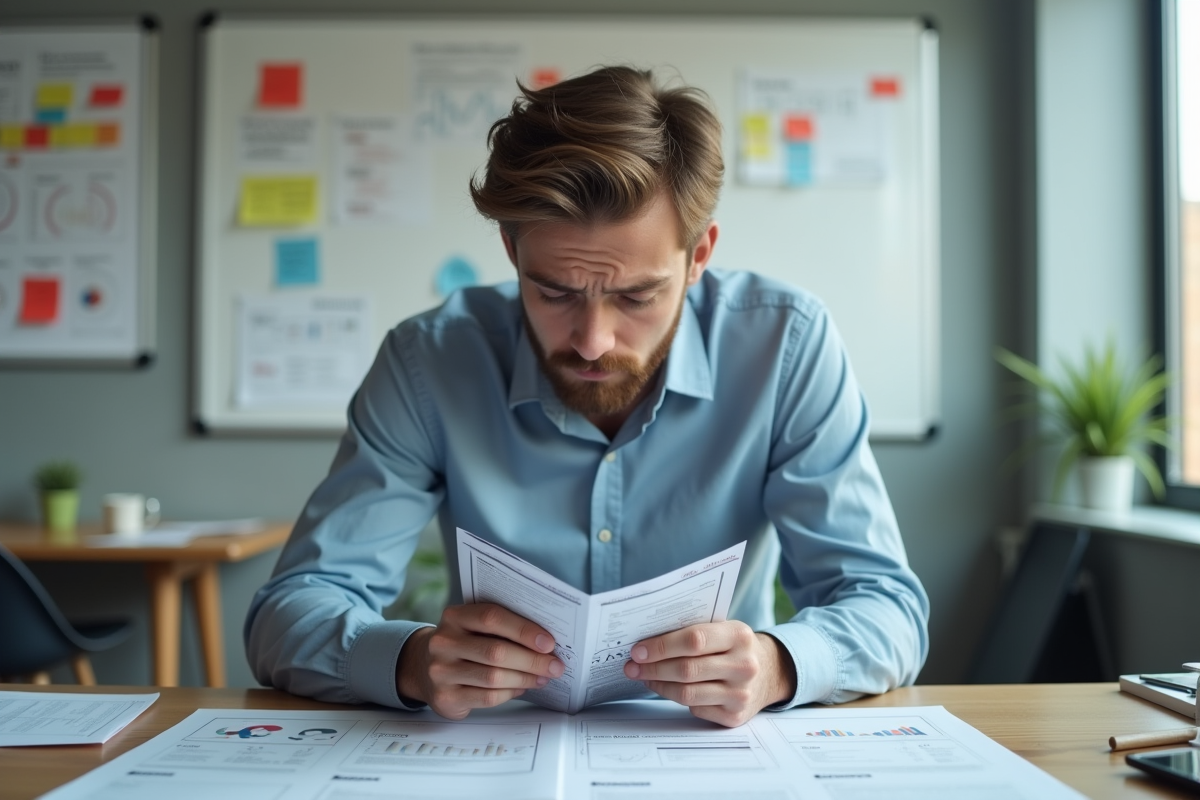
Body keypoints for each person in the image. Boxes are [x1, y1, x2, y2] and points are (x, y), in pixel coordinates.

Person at [245, 65, 929, 729]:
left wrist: (777, 665)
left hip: (708, 754)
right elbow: (288, 614)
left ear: (698, 256)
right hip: (494, 751)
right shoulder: (430, 359)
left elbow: (886, 607)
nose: (594, 340)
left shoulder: (786, 346)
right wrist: (412, 662)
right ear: (512, 251)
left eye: (636, 295)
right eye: (556, 291)